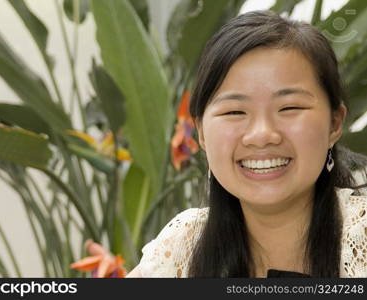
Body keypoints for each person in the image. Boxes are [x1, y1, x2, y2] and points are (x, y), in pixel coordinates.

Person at [126, 10, 367, 278]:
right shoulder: (180, 247)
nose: (262, 134)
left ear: (335, 124)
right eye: (235, 112)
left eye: (289, 107)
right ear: (202, 133)